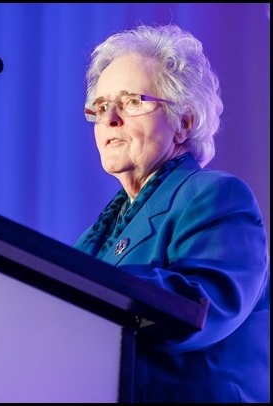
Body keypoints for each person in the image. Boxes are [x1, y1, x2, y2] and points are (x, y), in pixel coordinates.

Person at [74, 23, 269, 403]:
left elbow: (204, 308)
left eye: (131, 101)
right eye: (100, 106)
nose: (110, 118)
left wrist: (97, 288)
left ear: (184, 122)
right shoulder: (94, 237)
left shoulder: (216, 196)